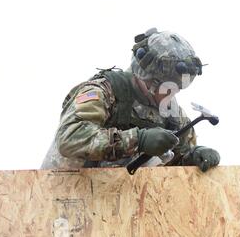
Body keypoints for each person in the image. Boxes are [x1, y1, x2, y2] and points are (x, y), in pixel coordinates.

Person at [41, 28, 220, 172]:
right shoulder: (104, 91)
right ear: (149, 80)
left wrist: (195, 156)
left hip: (124, 204)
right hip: (66, 193)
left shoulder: (171, 112)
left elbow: (178, 155)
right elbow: (69, 139)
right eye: (169, 87)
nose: (173, 94)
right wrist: (138, 140)